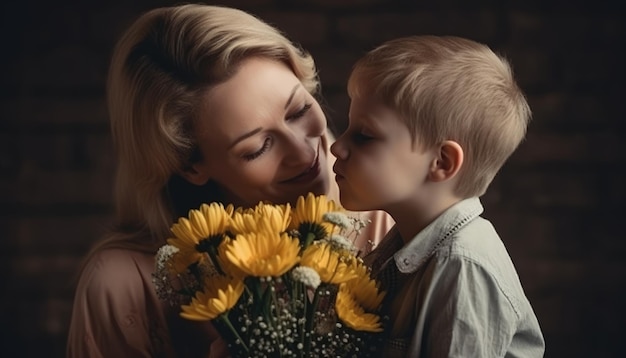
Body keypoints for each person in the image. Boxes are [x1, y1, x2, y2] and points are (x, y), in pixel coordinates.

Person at [66, 4, 394, 358]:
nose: (304, 151)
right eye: (258, 147)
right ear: (190, 166)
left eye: (299, 110)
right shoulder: (124, 284)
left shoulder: (393, 207)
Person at [330, 35, 545, 357]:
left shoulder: (462, 267)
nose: (337, 146)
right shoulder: (401, 245)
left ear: (441, 162)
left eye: (364, 136)